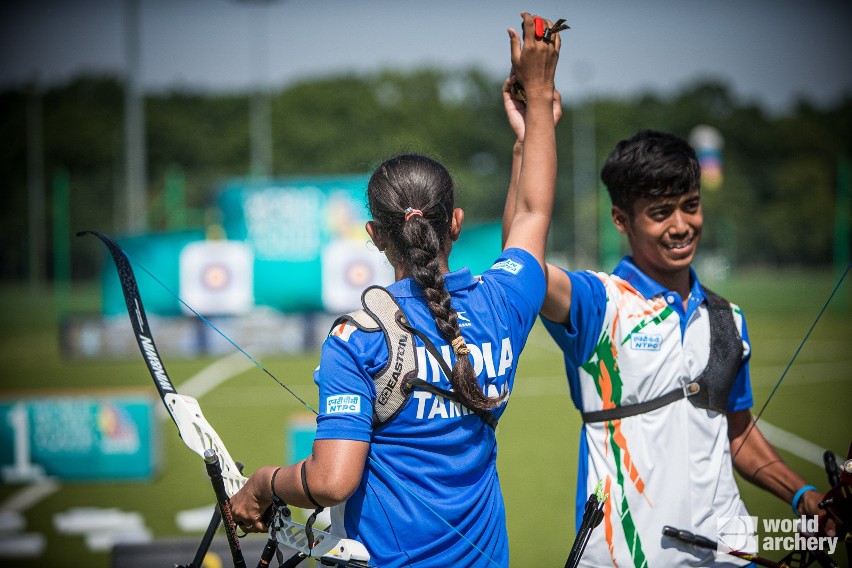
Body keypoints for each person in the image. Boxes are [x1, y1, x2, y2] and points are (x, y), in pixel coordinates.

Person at [229, 12, 562, 567]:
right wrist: (539, 102)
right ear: (455, 222)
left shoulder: (357, 338)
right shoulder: (504, 302)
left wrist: (263, 483)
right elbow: (532, 211)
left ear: (374, 237)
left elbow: (333, 481)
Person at [503, 129, 829, 566]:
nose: (681, 226)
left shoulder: (726, 318)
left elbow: (738, 431)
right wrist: (529, 138)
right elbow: (520, 264)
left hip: (728, 554)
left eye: (690, 206)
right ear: (622, 219)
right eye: (660, 213)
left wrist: (802, 494)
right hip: (626, 556)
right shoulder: (601, 303)